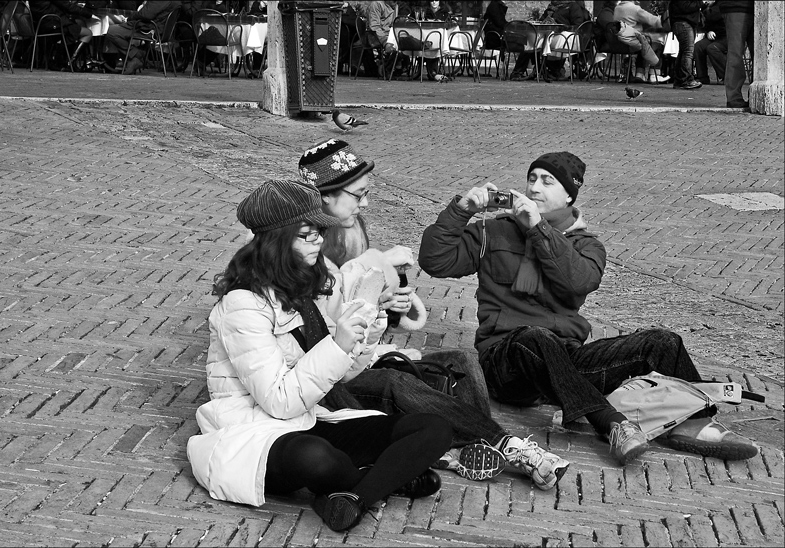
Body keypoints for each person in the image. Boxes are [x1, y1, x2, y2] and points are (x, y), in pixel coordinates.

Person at [418, 151, 759, 465]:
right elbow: (435, 260)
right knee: (533, 337)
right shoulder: (493, 231)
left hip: (564, 362)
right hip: (505, 366)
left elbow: (576, 282)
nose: (534, 187)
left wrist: (537, 229)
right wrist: (461, 209)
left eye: (547, 181)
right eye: (532, 178)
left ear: (569, 195)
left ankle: (695, 421)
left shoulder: (587, 246)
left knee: (662, 342)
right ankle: (612, 424)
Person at [289, 138, 572, 490]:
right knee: (395, 382)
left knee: (463, 361)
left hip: (358, 353)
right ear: (324, 196)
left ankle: (473, 445)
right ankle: (502, 444)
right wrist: (375, 280)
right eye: (358, 194)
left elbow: (355, 308)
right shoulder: (302, 247)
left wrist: (387, 307)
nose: (365, 203)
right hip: (328, 375)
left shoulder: (350, 228)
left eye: (366, 193)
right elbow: (321, 326)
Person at [187, 179, 452, 533]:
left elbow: (343, 375)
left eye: (319, 233)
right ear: (276, 241)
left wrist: (368, 327)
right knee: (315, 457)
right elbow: (279, 401)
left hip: (311, 419)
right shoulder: (242, 305)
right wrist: (337, 344)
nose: (318, 242)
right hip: (258, 433)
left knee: (434, 427)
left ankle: (353, 498)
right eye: (306, 235)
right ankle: (383, 480)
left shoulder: (301, 288)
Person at [509, 0, 587, 81]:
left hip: (567, 35)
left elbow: (577, 25)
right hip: (549, 33)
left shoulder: (572, 6)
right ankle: (518, 71)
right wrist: (544, 20)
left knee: (548, 41)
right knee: (532, 38)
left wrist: (559, 24)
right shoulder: (552, 7)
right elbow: (542, 20)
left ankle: (552, 70)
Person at [102, 0, 180, 75]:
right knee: (119, 29)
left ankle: (137, 54)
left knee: (111, 31)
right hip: (160, 31)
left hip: (149, 29)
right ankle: (132, 59)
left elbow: (146, 14)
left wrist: (129, 18)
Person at [612, 0, 670, 84]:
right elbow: (653, 20)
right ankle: (654, 75)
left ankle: (640, 74)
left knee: (643, 42)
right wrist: (666, 21)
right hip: (632, 43)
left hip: (619, 43)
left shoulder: (617, 8)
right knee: (657, 44)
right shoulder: (634, 9)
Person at [717, 0, 753, 108]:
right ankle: (734, 97)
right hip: (736, 6)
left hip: (753, 8)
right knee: (735, 52)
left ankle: (751, 95)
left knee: (759, 57)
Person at [669, 0, 705, 90]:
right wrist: (702, 3)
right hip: (683, 22)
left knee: (683, 51)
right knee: (688, 52)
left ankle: (679, 81)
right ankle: (687, 80)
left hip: (685, 23)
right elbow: (685, 7)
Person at [694, 0, 727, 85]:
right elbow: (706, 24)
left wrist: (706, 8)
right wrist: (708, 31)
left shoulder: (721, 5)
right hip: (714, 36)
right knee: (698, 46)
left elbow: (716, 16)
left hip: (726, 36)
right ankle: (702, 77)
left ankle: (726, 76)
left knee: (712, 48)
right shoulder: (707, 7)